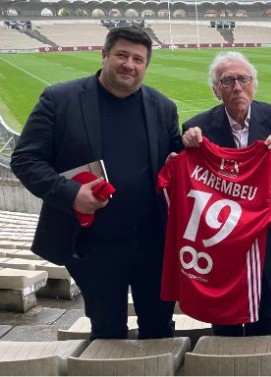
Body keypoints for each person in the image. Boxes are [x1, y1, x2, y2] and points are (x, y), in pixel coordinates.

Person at [10, 26, 181, 340]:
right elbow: (25, 159)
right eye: (121, 55)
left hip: (153, 245)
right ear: (104, 55)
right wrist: (71, 193)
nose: (129, 64)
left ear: (146, 65)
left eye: (138, 59)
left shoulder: (163, 107)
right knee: (107, 331)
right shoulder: (59, 99)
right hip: (94, 246)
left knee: (159, 329)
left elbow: (178, 159)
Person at [181, 51, 271, 337]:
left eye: (243, 79)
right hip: (221, 243)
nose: (237, 87)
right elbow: (186, 175)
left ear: (254, 84)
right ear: (216, 90)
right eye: (227, 80)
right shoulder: (198, 127)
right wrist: (187, 147)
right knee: (224, 317)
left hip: (263, 240)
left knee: (264, 312)